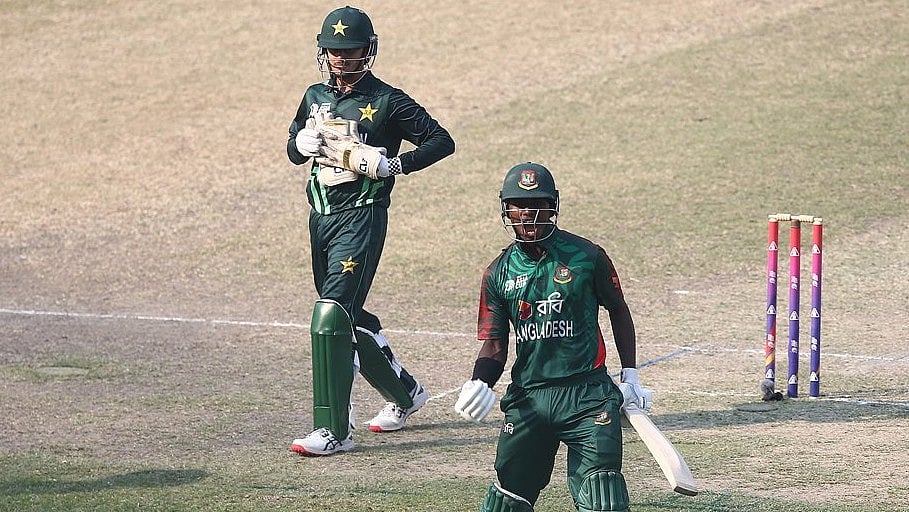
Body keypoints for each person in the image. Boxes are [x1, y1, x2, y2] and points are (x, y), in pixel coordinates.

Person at [286, 5, 455, 456]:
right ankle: (405, 394)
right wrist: (298, 145)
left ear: (369, 50)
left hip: (362, 215)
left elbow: (442, 141)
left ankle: (333, 431)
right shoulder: (313, 96)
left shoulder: (388, 100)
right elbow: (292, 144)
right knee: (348, 315)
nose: (343, 59)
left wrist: (394, 163)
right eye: (335, 51)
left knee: (330, 315)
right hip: (321, 215)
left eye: (352, 50)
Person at [454, 162, 651, 511]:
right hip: (530, 398)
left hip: (587, 396)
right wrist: (479, 382)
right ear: (507, 209)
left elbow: (618, 310)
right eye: (518, 204)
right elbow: (496, 342)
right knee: (507, 500)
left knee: (602, 495)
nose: (527, 212)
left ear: (553, 206)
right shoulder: (498, 273)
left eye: (537, 203)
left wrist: (630, 376)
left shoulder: (587, 257)